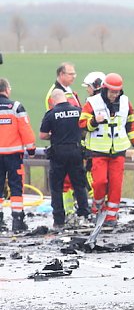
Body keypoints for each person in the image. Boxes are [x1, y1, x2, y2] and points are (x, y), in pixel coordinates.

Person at [78, 73, 134, 226]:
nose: (114, 95)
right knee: (100, 182)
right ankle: (98, 208)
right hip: (98, 150)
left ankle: (111, 216)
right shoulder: (92, 102)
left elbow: (130, 124)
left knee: (116, 184)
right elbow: (82, 124)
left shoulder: (126, 102)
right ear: (104, 89)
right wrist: (94, 121)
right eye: (112, 92)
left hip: (119, 150)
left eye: (117, 92)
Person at [39, 89, 89, 229]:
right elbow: (85, 129)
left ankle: (59, 220)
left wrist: (54, 135)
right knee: (79, 185)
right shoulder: (78, 111)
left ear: (53, 100)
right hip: (75, 151)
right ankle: (84, 215)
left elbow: (42, 135)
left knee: (56, 187)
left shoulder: (51, 114)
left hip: (58, 152)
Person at [45, 62, 81, 217]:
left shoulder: (69, 91)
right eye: (70, 74)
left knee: (76, 181)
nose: (74, 77)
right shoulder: (55, 94)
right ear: (61, 75)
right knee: (65, 181)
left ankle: (75, 209)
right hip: (63, 144)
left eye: (74, 73)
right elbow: (54, 120)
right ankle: (68, 211)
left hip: (74, 143)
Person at [0, 78, 37, 232]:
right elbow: (26, 130)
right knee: (16, 187)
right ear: (7, 90)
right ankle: (17, 221)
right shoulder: (16, 107)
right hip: (14, 156)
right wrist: (32, 149)